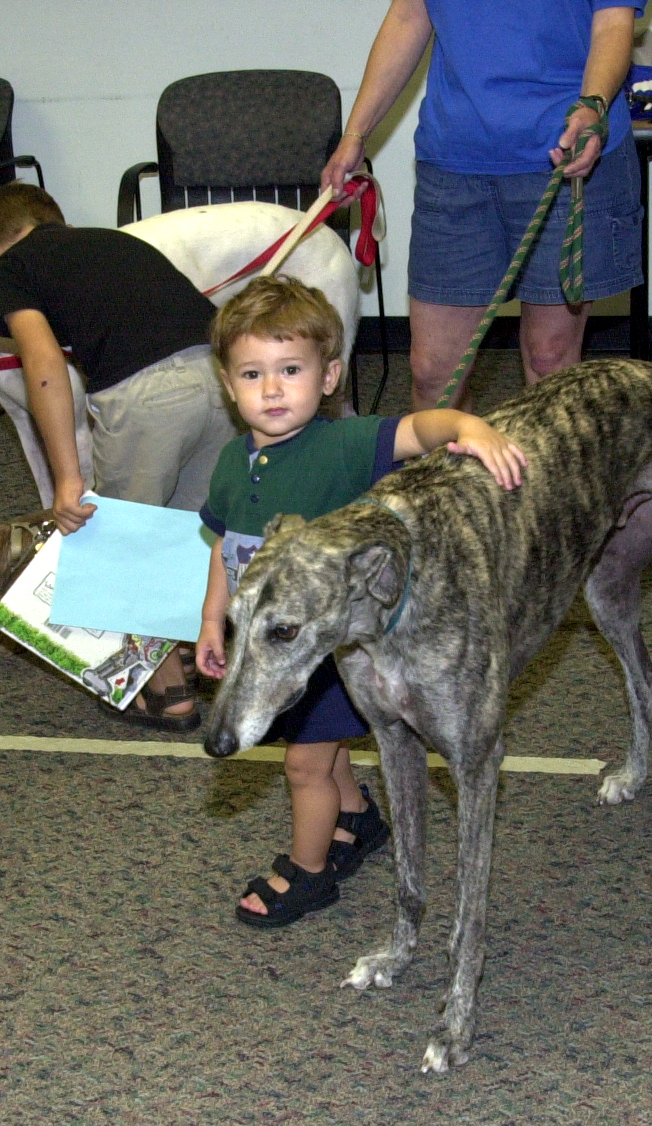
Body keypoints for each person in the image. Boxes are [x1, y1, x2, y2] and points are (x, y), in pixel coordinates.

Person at [196, 276, 526, 927]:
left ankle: (310, 871)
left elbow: (417, 428)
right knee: (326, 754)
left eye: (290, 370)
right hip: (272, 646)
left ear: (328, 377)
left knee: (302, 765)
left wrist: (469, 425)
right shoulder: (234, 463)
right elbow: (222, 547)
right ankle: (358, 819)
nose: (271, 389)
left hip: (332, 652)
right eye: (252, 373)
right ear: (228, 386)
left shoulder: (341, 445)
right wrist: (213, 619)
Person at [0, 182, 237, 731]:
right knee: (192, 530)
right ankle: (186, 645)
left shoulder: (12, 269)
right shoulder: (115, 243)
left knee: (126, 539)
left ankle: (167, 693)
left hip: (145, 396)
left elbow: (42, 364)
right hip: (221, 376)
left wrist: (68, 478)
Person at [321, 0, 646, 410]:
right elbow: (407, 18)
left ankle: (554, 475)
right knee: (432, 372)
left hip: (564, 153)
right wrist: (355, 135)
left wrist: (594, 105)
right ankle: (454, 476)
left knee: (551, 362)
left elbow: (613, 24)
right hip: (455, 160)